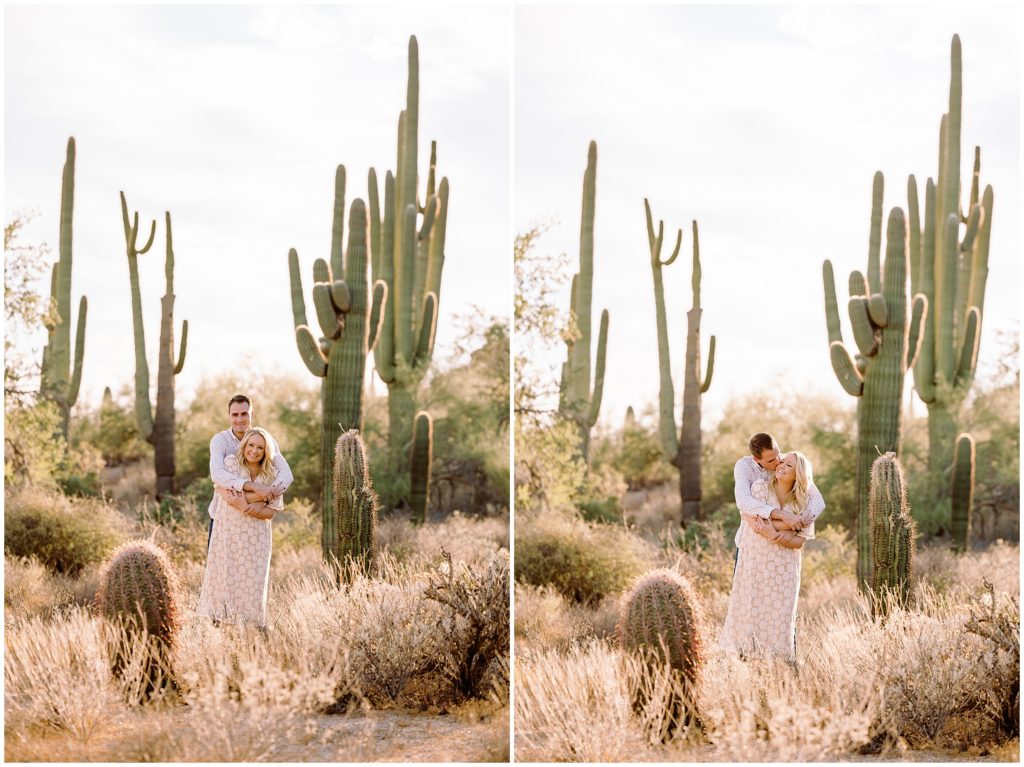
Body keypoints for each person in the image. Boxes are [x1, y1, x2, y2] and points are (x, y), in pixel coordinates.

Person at [720, 451, 819, 661]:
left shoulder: (803, 501)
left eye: (789, 465)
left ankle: (778, 664)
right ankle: (745, 658)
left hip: (784, 566)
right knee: (750, 608)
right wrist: (790, 523)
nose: (781, 466)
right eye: (782, 462)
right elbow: (752, 519)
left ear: (799, 474)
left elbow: (799, 541)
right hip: (755, 558)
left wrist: (774, 534)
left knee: (780, 615)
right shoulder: (760, 488)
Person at [198, 427, 282, 627]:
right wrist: (262, 496)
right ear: (244, 446)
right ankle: (218, 626)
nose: (254, 450)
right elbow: (225, 494)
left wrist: (245, 506)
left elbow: (271, 511)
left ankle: (250, 628)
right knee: (224, 578)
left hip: (257, 537)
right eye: (251, 445)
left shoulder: (271, 473)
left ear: (265, 451)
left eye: (260, 447)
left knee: (252, 583)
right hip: (229, 531)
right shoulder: (231, 464)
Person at [207, 394, 293, 549]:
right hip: (223, 519)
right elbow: (217, 475)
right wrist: (255, 488)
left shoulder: (265, 440)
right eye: (235, 415)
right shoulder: (220, 441)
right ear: (229, 417)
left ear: (251, 414)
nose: (239, 419)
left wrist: (264, 499)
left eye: (244, 414)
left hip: (255, 523)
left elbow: (286, 474)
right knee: (221, 570)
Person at [732, 433, 824, 573]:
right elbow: (743, 501)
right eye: (770, 460)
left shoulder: (786, 462)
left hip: (781, 553)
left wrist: (799, 525)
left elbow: (817, 501)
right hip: (751, 547)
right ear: (756, 459)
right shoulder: (744, 466)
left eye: (778, 455)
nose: (777, 462)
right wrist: (784, 516)